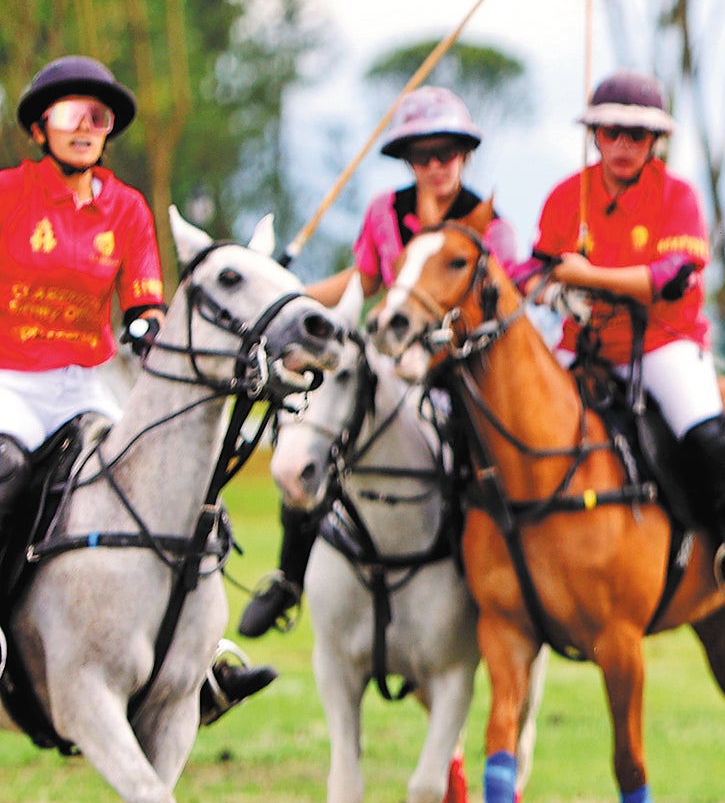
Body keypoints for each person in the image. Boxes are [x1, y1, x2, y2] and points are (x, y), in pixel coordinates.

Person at [0, 57, 271, 716]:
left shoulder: (125, 208)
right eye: (71, 114)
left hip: (88, 384)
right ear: (40, 129)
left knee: (179, 480)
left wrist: (151, 329)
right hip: (12, 380)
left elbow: (144, 300)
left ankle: (200, 660)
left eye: (98, 116)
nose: (87, 126)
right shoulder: (9, 194)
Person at [237, 86, 525, 636]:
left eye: (447, 153)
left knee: (478, 465)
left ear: (465, 155)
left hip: (455, 372)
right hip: (385, 365)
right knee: (313, 436)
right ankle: (289, 578)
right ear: (408, 160)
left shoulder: (491, 226)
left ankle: (485, 582)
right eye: (423, 155)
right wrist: (289, 295)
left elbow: (501, 311)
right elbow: (365, 280)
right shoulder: (385, 214)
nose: (436, 165)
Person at [524, 72, 725, 604]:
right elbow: (535, 270)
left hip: (664, 343)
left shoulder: (677, 196)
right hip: (584, 343)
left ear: (654, 141)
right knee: (515, 414)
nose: (621, 146)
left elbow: (669, 277)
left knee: (708, 435)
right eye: (610, 133)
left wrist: (586, 278)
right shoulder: (569, 197)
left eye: (635, 136)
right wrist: (552, 293)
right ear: (594, 135)